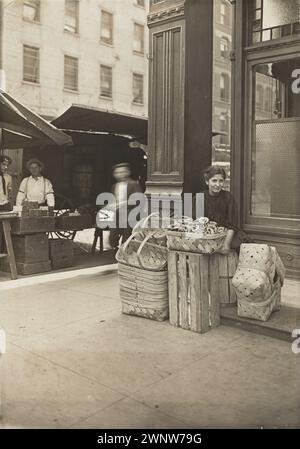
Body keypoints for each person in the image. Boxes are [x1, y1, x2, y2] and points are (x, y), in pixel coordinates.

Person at [193, 165, 251, 254]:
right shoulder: (199, 198)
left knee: (241, 246)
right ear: (207, 182)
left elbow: (232, 225)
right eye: (214, 181)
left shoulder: (228, 198)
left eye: (221, 181)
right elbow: (196, 225)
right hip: (206, 237)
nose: (217, 184)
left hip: (227, 235)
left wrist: (226, 244)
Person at [109, 162, 142, 249]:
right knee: (112, 237)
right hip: (117, 215)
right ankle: (115, 250)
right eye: (117, 173)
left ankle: (125, 254)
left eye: (122, 172)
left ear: (128, 172)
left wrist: (122, 204)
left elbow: (137, 199)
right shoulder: (114, 186)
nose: (120, 175)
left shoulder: (134, 184)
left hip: (130, 215)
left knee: (127, 238)